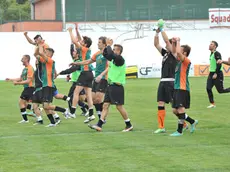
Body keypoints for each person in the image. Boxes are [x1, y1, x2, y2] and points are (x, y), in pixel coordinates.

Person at [88, 38, 133, 132]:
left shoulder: (120, 59)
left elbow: (110, 54)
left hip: (117, 86)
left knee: (119, 106)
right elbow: (106, 54)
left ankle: (128, 124)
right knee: (105, 105)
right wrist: (107, 47)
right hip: (110, 86)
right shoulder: (113, 60)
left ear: (119, 51)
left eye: (115, 49)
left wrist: (108, 45)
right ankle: (99, 125)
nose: (113, 50)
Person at [153, 24, 188, 134]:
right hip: (163, 82)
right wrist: (157, 32)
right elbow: (156, 44)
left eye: (168, 44)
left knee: (176, 108)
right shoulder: (165, 54)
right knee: (160, 103)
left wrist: (162, 29)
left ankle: (186, 122)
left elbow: (167, 42)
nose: (166, 45)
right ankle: (161, 127)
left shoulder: (174, 54)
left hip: (171, 82)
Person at [71, 36, 108, 120]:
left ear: (105, 44)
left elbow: (109, 66)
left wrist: (101, 75)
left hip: (103, 78)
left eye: (99, 42)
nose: (98, 44)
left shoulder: (107, 53)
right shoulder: (97, 53)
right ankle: (94, 116)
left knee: (98, 99)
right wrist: (77, 63)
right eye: (98, 42)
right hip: (95, 77)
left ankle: (101, 119)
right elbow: (88, 61)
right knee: (92, 99)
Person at [34, 44, 69, 127]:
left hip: (48, 86)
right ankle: (53, 122)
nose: (44, 53)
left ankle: (64, 110)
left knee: (46, 106)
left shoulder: (50, 60)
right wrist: (38, 46)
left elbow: (41, 53)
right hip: (45, 85)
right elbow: (36, 54)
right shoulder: (44, 60)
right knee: (45, 106)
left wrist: (40, 45)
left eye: (46, 52)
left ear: (50, 54)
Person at [170, 37, 198, 137]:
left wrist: (178, 41)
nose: (178, 52)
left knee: (180, 109)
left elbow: (177, 53)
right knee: (175, 110)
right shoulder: (178, 62)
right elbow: (174, 51)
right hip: (177, 88)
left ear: (184, 53)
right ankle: (192, 121)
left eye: (181, 50)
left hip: (182, 88)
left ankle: (180, 131)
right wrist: (173, 43)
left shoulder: (186, 61)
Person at [67, 27, 95, 123]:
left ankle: (72, 112)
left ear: (85, 44)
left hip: (85, 73)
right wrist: (76, 30)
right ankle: (91, 114)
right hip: (90, 73)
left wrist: (70, 31)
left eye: (82, 41)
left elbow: (75, 41)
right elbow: (78, 39)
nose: (81, 41)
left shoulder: (83, 49)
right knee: (88, 95)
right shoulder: (88, 49)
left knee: (76, 92)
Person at [57, 43, 89, 117]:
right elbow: (71, 51)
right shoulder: (75, 60)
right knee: (76, 98)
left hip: (78, 82)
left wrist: (59, 73)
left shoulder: (78, 63)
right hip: (77, 82)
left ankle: (72, 113)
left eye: (74, 52)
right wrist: (72, 43)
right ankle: (85, 109)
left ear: (78, 54)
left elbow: (70, 70)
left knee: (70, 98)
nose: (72, 53)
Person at [6, 55, 35, 123]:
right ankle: (37, 109)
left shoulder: (30, 68)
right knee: (24, 104)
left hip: (30, 88)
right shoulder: (25, 69)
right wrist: (10, 79)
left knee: (21, 102)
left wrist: (17, 83)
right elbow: (21, 78)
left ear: (27, 59)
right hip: (27, 88)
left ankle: (25, 120)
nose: (21, 60)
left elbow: (28, 81)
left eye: (22, 59)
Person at [206, 41, 230, 108]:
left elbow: (219, 63)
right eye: (210, 44)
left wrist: (216, 73)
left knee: (220, 91)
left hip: (217, 73)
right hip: (211, 73)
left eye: (211, 44)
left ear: (215, 46)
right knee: (208, 88)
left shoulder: (217, 53)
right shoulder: (211, 54)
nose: (209, 45)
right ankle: (212, 104)